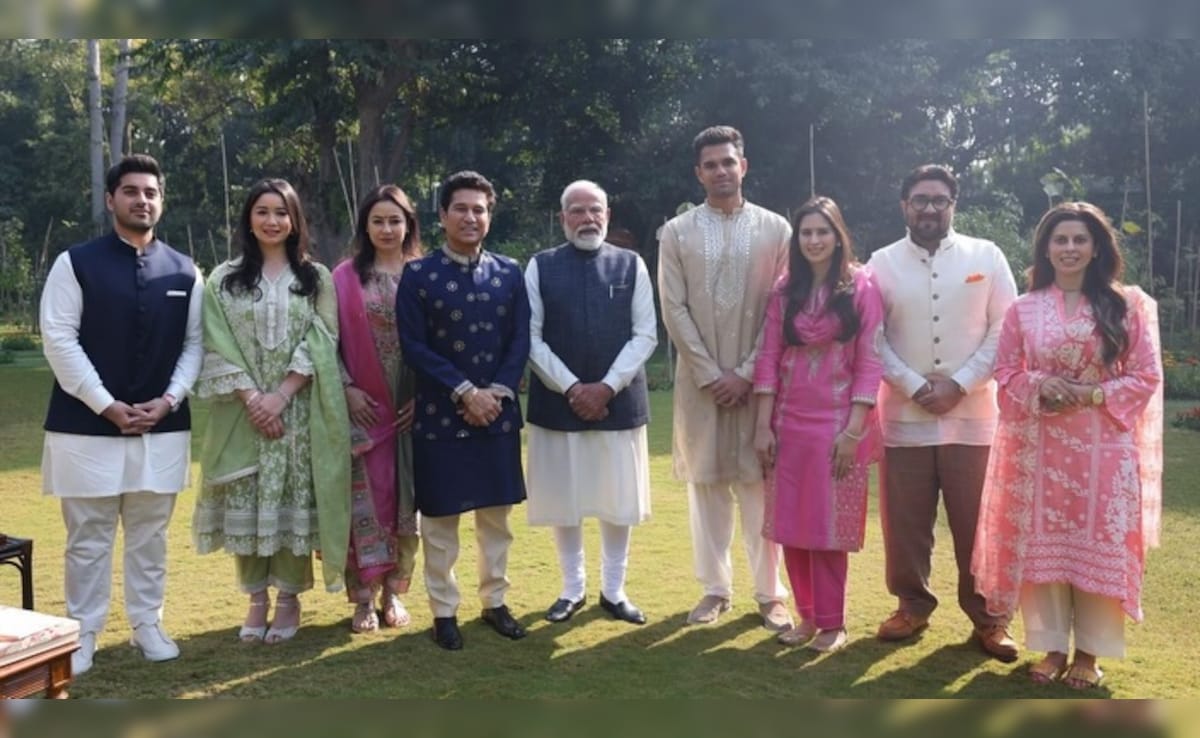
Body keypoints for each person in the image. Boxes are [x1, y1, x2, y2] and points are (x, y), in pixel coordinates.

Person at [972, 201, 1163, 689]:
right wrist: (1042, 385)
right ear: (1046, 249)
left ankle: (1089, 656)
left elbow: (1146, 375)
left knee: (1096, 548)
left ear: (1097, 247)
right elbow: (1006, 371)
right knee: (1046, 550)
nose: (1070, 248)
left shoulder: (1126, 306)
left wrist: (1093, 393)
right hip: (1040, 450)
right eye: (1061, 240)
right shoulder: (1024, 309)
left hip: (1105, 451)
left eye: (1080, 239)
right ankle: (1053, 649)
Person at [40, 154, 201, 675]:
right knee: (88, 538)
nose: (142, 200)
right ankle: (82, 632)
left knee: (150, 536)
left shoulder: (184, 270)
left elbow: (195, 345)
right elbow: (58, 338)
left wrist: (169, 399)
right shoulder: (75, 263)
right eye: (130, 191)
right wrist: (105, 404)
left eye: (150, 192)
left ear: (161, 201)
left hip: (162, 427)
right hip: (86, 428)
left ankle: (147, 624)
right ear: (111, 200)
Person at [866, 163, 1020, 661]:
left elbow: (1006, 329)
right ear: (904, 206)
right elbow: (872, 337)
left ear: (954, 204)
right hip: (904, 416)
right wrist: (913, 385)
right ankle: (911, 605)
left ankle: (990, 617)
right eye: (920, 199)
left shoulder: (986, 256)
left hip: (973, 416)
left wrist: (959, 384)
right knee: (905, 523)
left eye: (939, 199)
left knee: (978, 524)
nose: (929, 208)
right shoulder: (881, 263)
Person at [193, 178, 350, 645]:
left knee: (291, 504)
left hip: (299, 414)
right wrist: (254, 400)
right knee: (248, 499)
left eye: (281, 212)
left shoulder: (315, 278)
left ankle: (287, 600)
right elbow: (215, 341)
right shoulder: (223, 279)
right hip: (242, 414)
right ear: (248, 218)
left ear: (295, 220)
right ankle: (256, 598)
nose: (272, 220)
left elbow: (324, 336)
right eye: (262, 211)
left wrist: (280, 396)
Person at [658, 125, 793, 631]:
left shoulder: (777, 229)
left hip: (762, 385)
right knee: (708, 489)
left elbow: (782, 306)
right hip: (702, 385)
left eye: (728, 162)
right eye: (711, 164)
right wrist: (712, 373)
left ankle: (770, 594)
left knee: (760, 488)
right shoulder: (677, 233)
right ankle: (715, 589)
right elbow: (673, 307)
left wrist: (749, 372)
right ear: (699, 173)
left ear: (744, 166)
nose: (721, 171)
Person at [396, 171, 531, 650]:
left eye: (479, 209)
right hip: (440, 417)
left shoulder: (510, 273)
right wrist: (465, 392)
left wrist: (493, 394)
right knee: (440, 523)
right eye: (461, 208)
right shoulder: (418, 275)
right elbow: (413, 346)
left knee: (496, 520)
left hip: (497, 415)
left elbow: (520, 340)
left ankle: (495, 602)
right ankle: (444, 611)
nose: (470, 217)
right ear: (442, 215)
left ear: (489, 216)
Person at [752, 196, 884, 653]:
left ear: (838, 236)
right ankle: (807, 617)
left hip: (839, 426)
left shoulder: (861, 286)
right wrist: (762, 426)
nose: (814, 240)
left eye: (822, 231)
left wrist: (853, 432)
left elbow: (870, 360)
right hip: (787, 425)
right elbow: (768, 357)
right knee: (791, 525)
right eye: (806, 232)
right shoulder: (784, 290)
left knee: (827, 530)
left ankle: (833, 623)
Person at [525, 180, 658, 626]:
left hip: (617, 404)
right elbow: (531, 338)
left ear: (607, 214)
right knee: (565, 499)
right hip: (558, 403)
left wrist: (606, 387)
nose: (587, 218)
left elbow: (646, 334)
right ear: (563, 218)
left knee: (617, 499)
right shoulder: (541, 266)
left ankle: (614, 591)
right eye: (577, 211)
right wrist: (572, 389)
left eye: (595, 210)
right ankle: (572, 588)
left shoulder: (631, 264)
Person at [332, 184, 423, 633]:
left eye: (395, 221)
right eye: (378, 221)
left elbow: (439, 343)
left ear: (408, 225)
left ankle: (394, 593)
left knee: (406, 503)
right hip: (361, 411)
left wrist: (422, 397)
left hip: (411, 411)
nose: (387, 229)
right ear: (365, 227)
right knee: (363, 502)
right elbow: (324, 341)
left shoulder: (423, 274)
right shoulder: (343, 277)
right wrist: (347, 389)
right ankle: (364, 597)